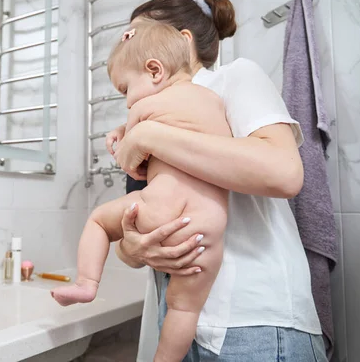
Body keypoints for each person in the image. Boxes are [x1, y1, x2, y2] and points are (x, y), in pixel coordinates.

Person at [108, 0, 327, 361]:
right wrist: (131, 250)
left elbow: (284, 173)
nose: (127, 44)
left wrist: (149, 137)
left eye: (137, 33)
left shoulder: (234, 78)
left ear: (183, 40)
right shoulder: (149, 115)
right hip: (180, 325)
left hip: (254, 324)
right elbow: (140, 223)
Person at [52, 19, 232, 361]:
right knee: (184, 310)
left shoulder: (145, 108)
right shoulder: (214, 101)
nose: (126, 101)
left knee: (98, 222)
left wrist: (121, 133)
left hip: (160, 206)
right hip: (208, 225)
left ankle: (87, 284)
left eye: (124, 89)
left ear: (154, 71)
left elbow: (131, 156)